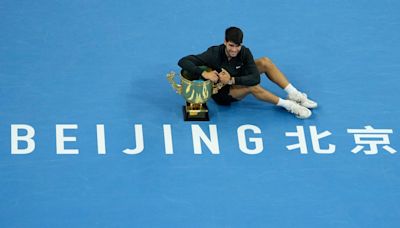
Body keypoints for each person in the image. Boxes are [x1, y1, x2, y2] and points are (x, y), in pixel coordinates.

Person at [178, 26, 317, 119]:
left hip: (233, 81)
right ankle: (290, 106)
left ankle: (294, 94)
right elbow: (183, 61)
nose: (234, 50)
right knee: (252, 87)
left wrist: (232, 80)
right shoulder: (213, 54)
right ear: (225, 42)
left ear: (241, 44)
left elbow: (255, 77)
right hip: (223, 94)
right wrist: (204, 74)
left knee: (265, 62)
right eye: (231, 45)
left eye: (237, 46)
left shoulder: (244, 52)